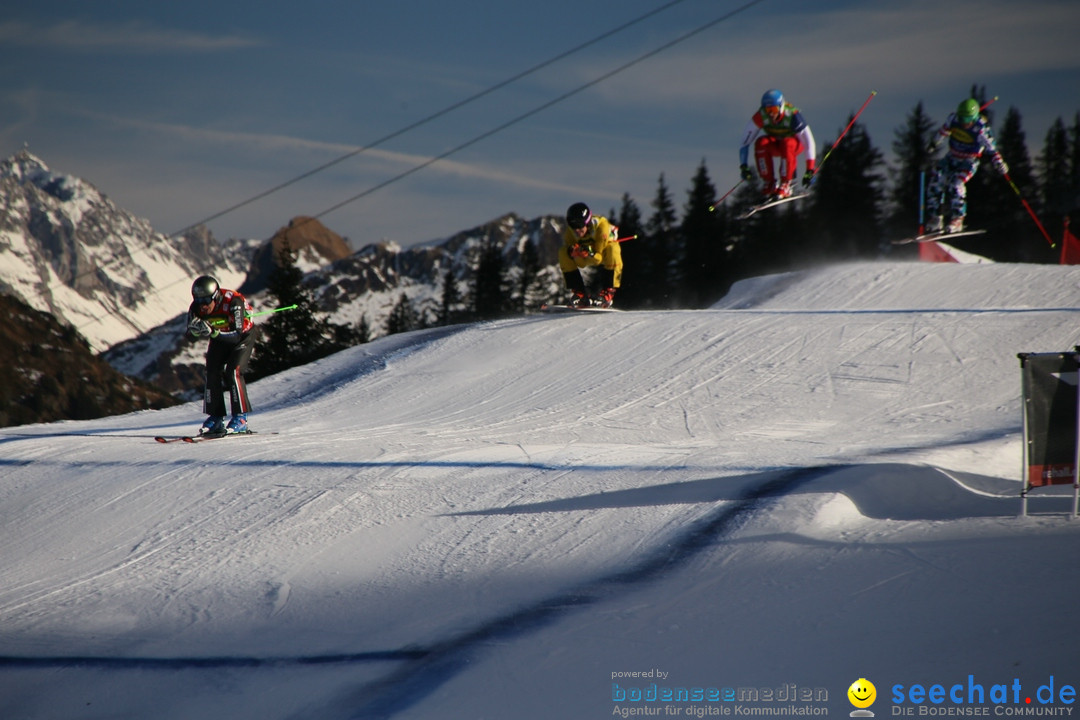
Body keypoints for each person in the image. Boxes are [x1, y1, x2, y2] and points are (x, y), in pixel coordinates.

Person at [186, 275, 259, 435]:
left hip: (242, 338)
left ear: (216, 296)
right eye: (198, 300)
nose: (202, 306)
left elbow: (236, 335)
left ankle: (241, 418)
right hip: (220, 337)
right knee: (212, 371)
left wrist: (212, 332)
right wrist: (195, 330)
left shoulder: (233, 303)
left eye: (206, 301)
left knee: (233, 371)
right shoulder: (196, 307)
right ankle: (216, 417)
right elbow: (190, 337)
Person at [925, 98, 1009, 234]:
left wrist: (999, 163)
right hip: (951, 157)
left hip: (969, 161)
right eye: (961, 119)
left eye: (967, 120)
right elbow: (943, 132)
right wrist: (933, 144)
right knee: (936, 179)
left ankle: (957, 219)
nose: (963, 123)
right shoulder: (953, 119)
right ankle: (936, 218)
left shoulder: (981, 129)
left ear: (974, 117)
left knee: (956, 184)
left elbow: (992, 150)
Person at [738, 89, 817, 200]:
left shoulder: (792, 115)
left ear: (781, 106)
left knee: (787, 142)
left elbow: (808, 141)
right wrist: (744, 166)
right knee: (761, 143)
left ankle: (786, 183)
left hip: (793, 145)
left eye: (773, 109)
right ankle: (769, 182)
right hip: (776, 145)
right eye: (767, 109)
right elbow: (745, 141)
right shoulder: (761, 116)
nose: (770, 113)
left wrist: (810, 170)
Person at [558, 202, 623, 308]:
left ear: (587, 222)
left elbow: (598, 259)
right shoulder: (570, 232)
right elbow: (576, 258)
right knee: (563, 252)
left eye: (579, 226)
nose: (576, 230)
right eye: (573, 226)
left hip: (602, 254)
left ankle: (608, 291)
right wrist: (573, 252)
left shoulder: (602, 227)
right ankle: (580, 293)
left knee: (613, 248)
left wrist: (589, 253)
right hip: (585, 256)